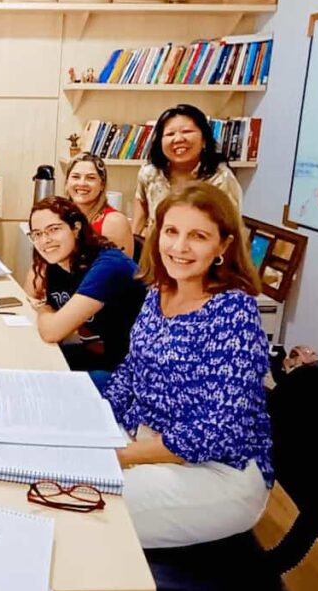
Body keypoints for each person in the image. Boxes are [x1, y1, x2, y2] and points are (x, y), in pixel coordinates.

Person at [103, 181, 273, 549]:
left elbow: (219, 430)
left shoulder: (234, 313)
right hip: (149, 442)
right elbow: (131, 372)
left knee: (84, 508)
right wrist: (95, 421)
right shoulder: (157, 293)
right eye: (171, 232)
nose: (179, 247)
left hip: (219, 473)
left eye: (197, 236)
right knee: (53, 479)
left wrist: (120, 456)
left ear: (223, 246)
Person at [23, 196, 146, 374]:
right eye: (37, 234)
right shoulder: (58, 262)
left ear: (76, 228)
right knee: (27, 360)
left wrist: (43, 308)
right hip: (94, 356)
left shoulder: (107, 266)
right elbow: (31, 297)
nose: (45, 240)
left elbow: (53, 331)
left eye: (54, 229)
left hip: (127, 369)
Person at [132, 103, 243, 237]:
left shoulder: (221, 178)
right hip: (153, 250)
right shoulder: (149, 173)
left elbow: (231, 230)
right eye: (170, 134)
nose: (178, 139)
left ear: (204, 140)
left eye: (187, 131)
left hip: (200, 254)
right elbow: (138, 222)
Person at [64, 153, 133, 258]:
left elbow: (119, 271)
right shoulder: (60, 216)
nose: (82, 183)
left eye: (91, 178)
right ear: (67, 182)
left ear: (102, 185)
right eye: (76, 177)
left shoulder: (114, 222)